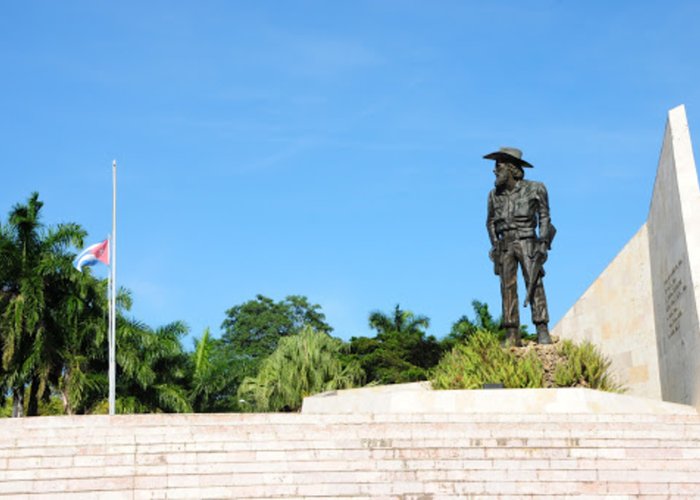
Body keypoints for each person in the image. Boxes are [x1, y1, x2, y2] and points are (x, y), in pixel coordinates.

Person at [485, 147, 556, 345]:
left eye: (498, 167)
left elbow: (544, 216)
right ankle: (512, 333)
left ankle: (542, 329)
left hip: (527, 241)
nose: (495, 171)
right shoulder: (493, 195)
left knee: (534, 283)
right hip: (505, 244)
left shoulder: (535, 188)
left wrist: (543, 242)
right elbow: (490, 222)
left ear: (511, 168)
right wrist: (495, 244)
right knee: (506, 288)